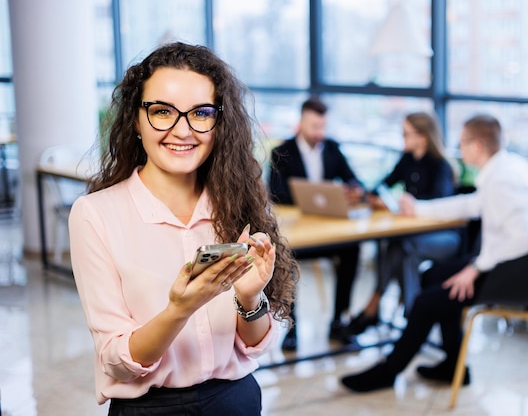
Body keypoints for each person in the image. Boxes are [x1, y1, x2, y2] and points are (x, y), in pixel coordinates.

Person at [68, 42, 298, 415]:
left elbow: (255, 344)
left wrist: (250, 298)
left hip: (236, 399)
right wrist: (180, 309)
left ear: (219, 122)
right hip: (151, 408)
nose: (183, 130)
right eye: (162, 112)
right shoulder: (95, 214)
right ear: (136, 120)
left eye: (201, 113)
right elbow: (115, 359)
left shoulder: (238, 202)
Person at [340, 114, 528, 393]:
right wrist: (418, 208)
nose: (459, 148)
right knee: (431, 276)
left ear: (477, 146)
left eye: (463, 142)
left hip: (520, 274)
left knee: (426, 301)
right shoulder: (506, 168)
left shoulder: (502, 179)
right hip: (519, 265)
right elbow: (470, 206)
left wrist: (475, 268)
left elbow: (523, 240)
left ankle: (389, 371)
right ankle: (453, 365)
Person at [346, 112, 461, 336]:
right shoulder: (407, 159)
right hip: (412, 235)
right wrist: (366, 194)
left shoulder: (441, 166)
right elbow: (385, 183)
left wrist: (409, 206)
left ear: (423, 137)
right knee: (400, 247)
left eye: (406, 133)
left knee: (401, 246)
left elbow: (439, 207)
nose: (402, 138)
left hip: (444, 236)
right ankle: (411, 315)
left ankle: (376, 306)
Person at [268, 97, 365, 350]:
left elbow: (354, 180)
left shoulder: (332, 148)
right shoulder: (282, 151)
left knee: (352, 249)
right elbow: (275, 193)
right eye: (314, 127)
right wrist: (309, 195)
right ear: (300, 123)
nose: (319, 133)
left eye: (323, 127)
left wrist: (354, 189)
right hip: (299, 233)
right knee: (285, 253)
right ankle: (292, 325)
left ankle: (339, 321)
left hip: (327, 231)